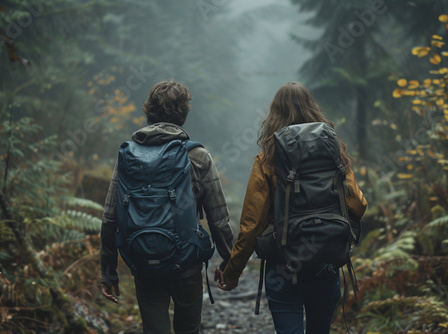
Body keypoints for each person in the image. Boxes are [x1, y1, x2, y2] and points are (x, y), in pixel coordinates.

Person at [215, 82, 367, 334]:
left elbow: (252, 225)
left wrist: (232, 272)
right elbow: (358, 205)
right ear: (312, 109)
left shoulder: (268, 158)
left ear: (274, 114)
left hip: (284, 267)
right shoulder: (334, 154)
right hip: (326, 261)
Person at [100, 80, 234, 334]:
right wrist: (229, 261)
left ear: (149, 111)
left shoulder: (129, 155)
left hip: (143, 261)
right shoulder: (198, 156)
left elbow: (110, 217)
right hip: (186, 264)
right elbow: (219, 217)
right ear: (183, 114)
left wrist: (108, 273)